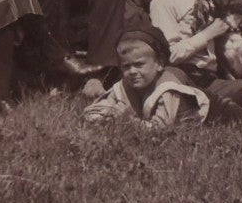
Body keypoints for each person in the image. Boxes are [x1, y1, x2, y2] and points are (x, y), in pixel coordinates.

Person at [82, 26, 211, 130]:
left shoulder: (168, 90)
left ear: (159, 64)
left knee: (228, 104)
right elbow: (93, 112)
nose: (132, 71)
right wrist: (106, 116)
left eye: (139, 65)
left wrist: (129, 120)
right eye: (126, 66)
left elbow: (160, 129)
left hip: (217, 109)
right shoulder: (125, 86)